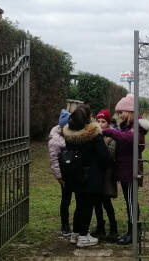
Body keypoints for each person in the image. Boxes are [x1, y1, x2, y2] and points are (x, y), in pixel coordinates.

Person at [102, 94, 149, 245]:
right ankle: (133, 231)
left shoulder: (137, 128)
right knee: (130, 202)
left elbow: (127, 139)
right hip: (125, 171)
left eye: (121, 112)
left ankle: (133, 233)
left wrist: (108, 131)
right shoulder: (128, 127)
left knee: (131, 202)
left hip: (131, 172)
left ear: (129, 111)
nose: (119, 115)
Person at [63, 105, 110, 247]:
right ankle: (83, 237)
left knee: (79, 204)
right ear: (88, 117)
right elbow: (104, 156)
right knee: (87, 206)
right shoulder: (93, 133)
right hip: (90, 175)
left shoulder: (69, 133)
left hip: (74, 174)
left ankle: (75, 234)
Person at [94, 109, 119, 242]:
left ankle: (113, 228)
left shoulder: (112, 137)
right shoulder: (94, 134)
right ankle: (100, 227)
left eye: (103, 121)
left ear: (108, 123)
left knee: (106, 202)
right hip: (96, 174)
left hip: (107, 174)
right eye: (98, 121)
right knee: (96, 202)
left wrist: (99, 142)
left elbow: (110, 156)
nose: (100, 123)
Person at [48, 109, 72, 236]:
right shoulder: (55, 141)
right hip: (64, 176)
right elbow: (54, 161)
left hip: (73, 172)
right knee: (66, 200)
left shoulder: (68, 134)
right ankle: (65, 224)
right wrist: (59, 177)